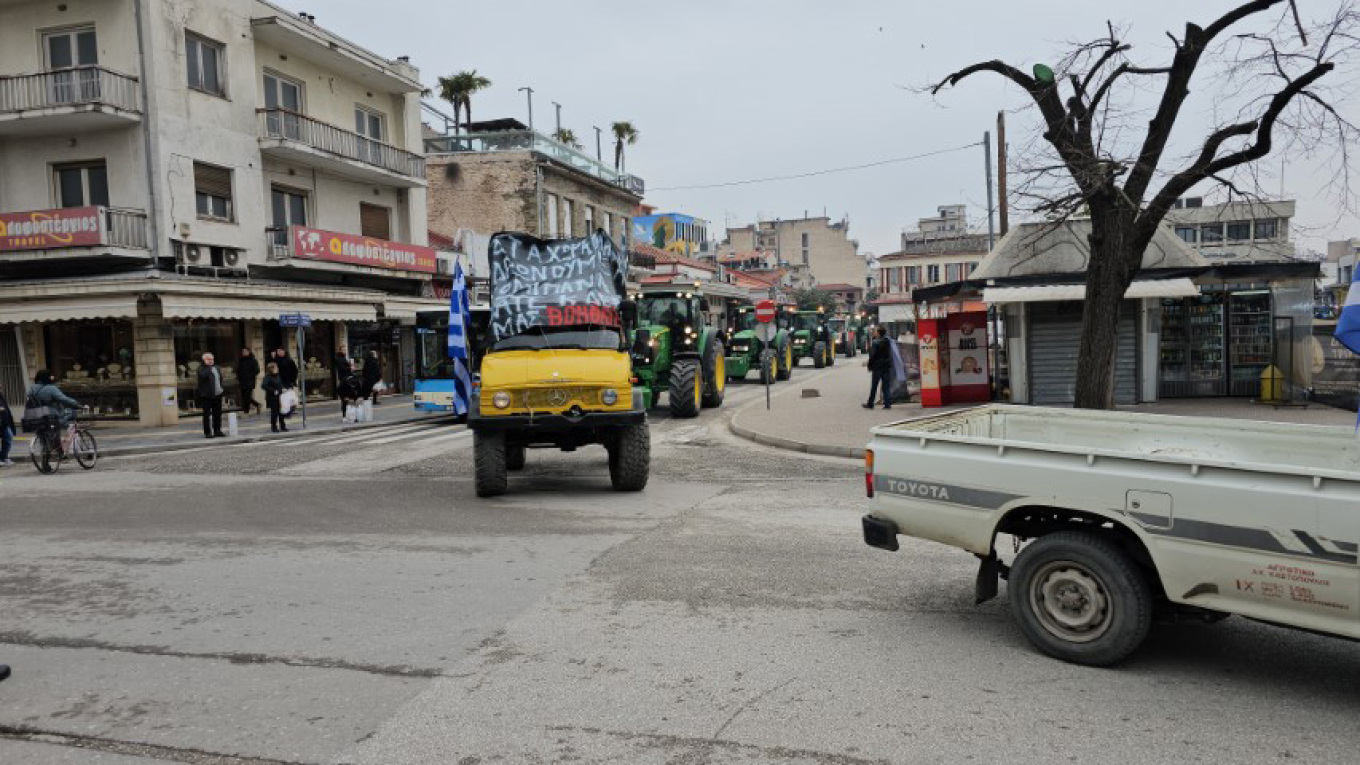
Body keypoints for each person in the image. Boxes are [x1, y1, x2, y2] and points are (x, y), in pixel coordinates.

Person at [196, 352, 226, 438]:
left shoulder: (216, 367)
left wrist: (221, 389)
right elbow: (203, 376)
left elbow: (220, 378)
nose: (211, 361)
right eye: (209, 359)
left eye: (212, 359)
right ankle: (208, 432)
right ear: (204, 360)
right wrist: (208, 367)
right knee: (206, 415)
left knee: (217, 414)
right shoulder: (201, 368)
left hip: (217, 394)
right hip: (206, 395)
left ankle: (217, 430)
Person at [864, 326, 894, 410]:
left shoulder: (875, 343)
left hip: (877, 367)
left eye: (876, 331)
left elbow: (872, 356)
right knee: (886, 386)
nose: (875, 333)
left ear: (879, 333)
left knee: (874, 386)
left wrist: (869, 365)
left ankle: (870, 403)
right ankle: (887, 404)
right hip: (886, 366)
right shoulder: (888, 341)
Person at [262, 362, 288, 433]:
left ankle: (283, 426)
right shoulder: (267, 377)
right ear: (271, 369)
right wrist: (273, 391)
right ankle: (274, 427)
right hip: (272, 397)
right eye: (276, 368)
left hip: (280, 396)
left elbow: (280, 384)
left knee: (281, 412)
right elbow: (264, 385)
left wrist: (283, 389)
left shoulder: (278, 376)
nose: (277, 369)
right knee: (275, 412)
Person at [236, 348, 261, 415]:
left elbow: (257, 370)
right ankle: (257, 404)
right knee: (244, 397)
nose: (243, 352)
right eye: (243, 351)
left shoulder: (253, 360)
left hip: (250, 381)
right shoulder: (241, 360)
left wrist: (250, 375)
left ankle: (246, 411)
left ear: (249, 352)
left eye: (245, 351)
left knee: (247, 396)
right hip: (242, 381)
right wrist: (238, 376)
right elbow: (238, 369)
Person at [0, 390, 15, 467]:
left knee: (8, 437)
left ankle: (3, 457)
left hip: (4, 422)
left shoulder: (1, 394)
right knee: (8, 437)